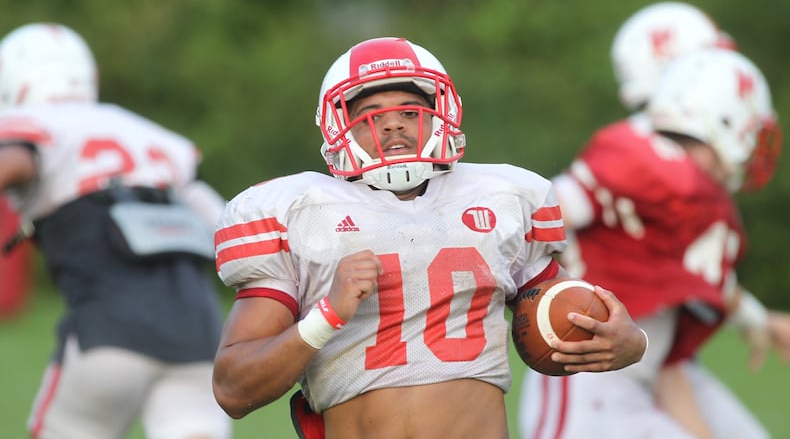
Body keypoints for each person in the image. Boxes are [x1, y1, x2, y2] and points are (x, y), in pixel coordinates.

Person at [211, 36, 648, 439]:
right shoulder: (300, 212)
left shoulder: (504, 198)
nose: (394, 125)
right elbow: (233, 390)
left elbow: (565, 317)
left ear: (442, 113)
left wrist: (630, 344)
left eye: (408, 110)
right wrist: (328, 313)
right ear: (338, 124)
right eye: (371, 115)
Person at [518, 29, 789, 439]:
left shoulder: (698, 197)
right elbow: (546, 210)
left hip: (643, 375)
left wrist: (759, 321)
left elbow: (673, 342)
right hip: (588, 387)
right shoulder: (646, 161)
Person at [0, 22, 232, 439]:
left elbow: (17, 160)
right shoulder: (150, 136)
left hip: (107, 331)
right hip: (199, 332)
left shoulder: (30, 122)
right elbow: (229, 230)